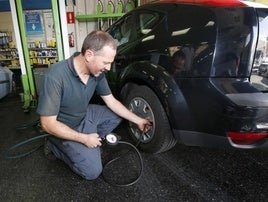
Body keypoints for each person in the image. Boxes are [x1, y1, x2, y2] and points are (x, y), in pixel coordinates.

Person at [37, 30, 151, 180]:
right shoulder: (55, 76)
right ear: (89, 55)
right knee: (92, 172)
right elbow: (47, 124)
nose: (108, 68)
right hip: (64, 127)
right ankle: (55, 146)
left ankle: (93, 141)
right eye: (106, 62)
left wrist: (138, 120)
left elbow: (111, 101)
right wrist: (84, 139)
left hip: (84, 114)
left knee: (117, 115)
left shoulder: (97, 73)